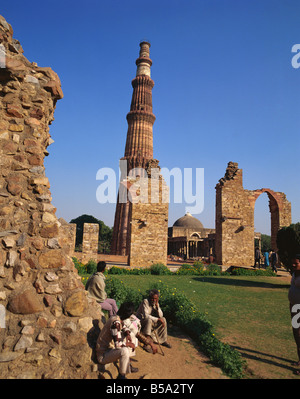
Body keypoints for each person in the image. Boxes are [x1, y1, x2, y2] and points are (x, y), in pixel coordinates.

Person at [96, 302, 157, 379]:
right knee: (124, 351)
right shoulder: (116, 323)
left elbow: (125, 327)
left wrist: (127, 335)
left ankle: (125, 371)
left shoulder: (117, 318)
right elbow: (118, 345)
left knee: (127, 343)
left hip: (108, 351)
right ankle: (121, 376)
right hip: (103, 356)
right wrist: (129, 344)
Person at [288, 254, 300, 375]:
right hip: (294, 307)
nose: (293, 265)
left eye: (296, 263)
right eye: (293, 263)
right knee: (296, 333)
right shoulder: (294, 274)